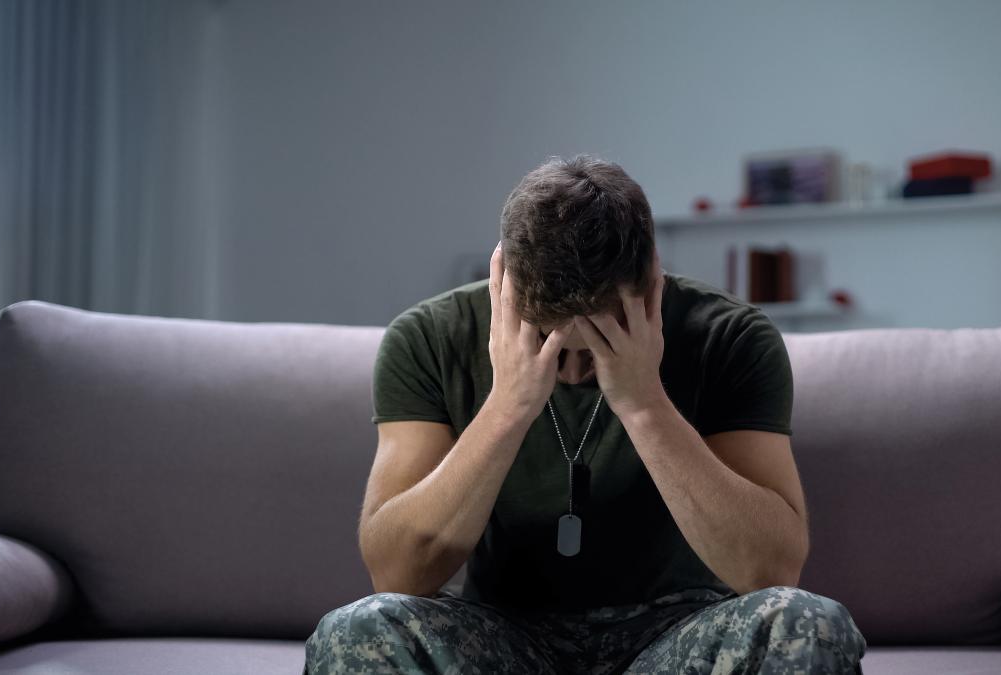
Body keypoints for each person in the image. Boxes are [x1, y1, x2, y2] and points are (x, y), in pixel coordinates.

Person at [305, 155, 867, 674]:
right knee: (356, 631)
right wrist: (509, 405)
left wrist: (643, 402)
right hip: (505, 633)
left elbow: (770, 571)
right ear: (504, 279)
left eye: (600, 339)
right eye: (546, 338)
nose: (570, 371)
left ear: (651, 281)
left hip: (674, 634)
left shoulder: (732, 337)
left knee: (807, 623)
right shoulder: (427, 338)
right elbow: (397, 574)